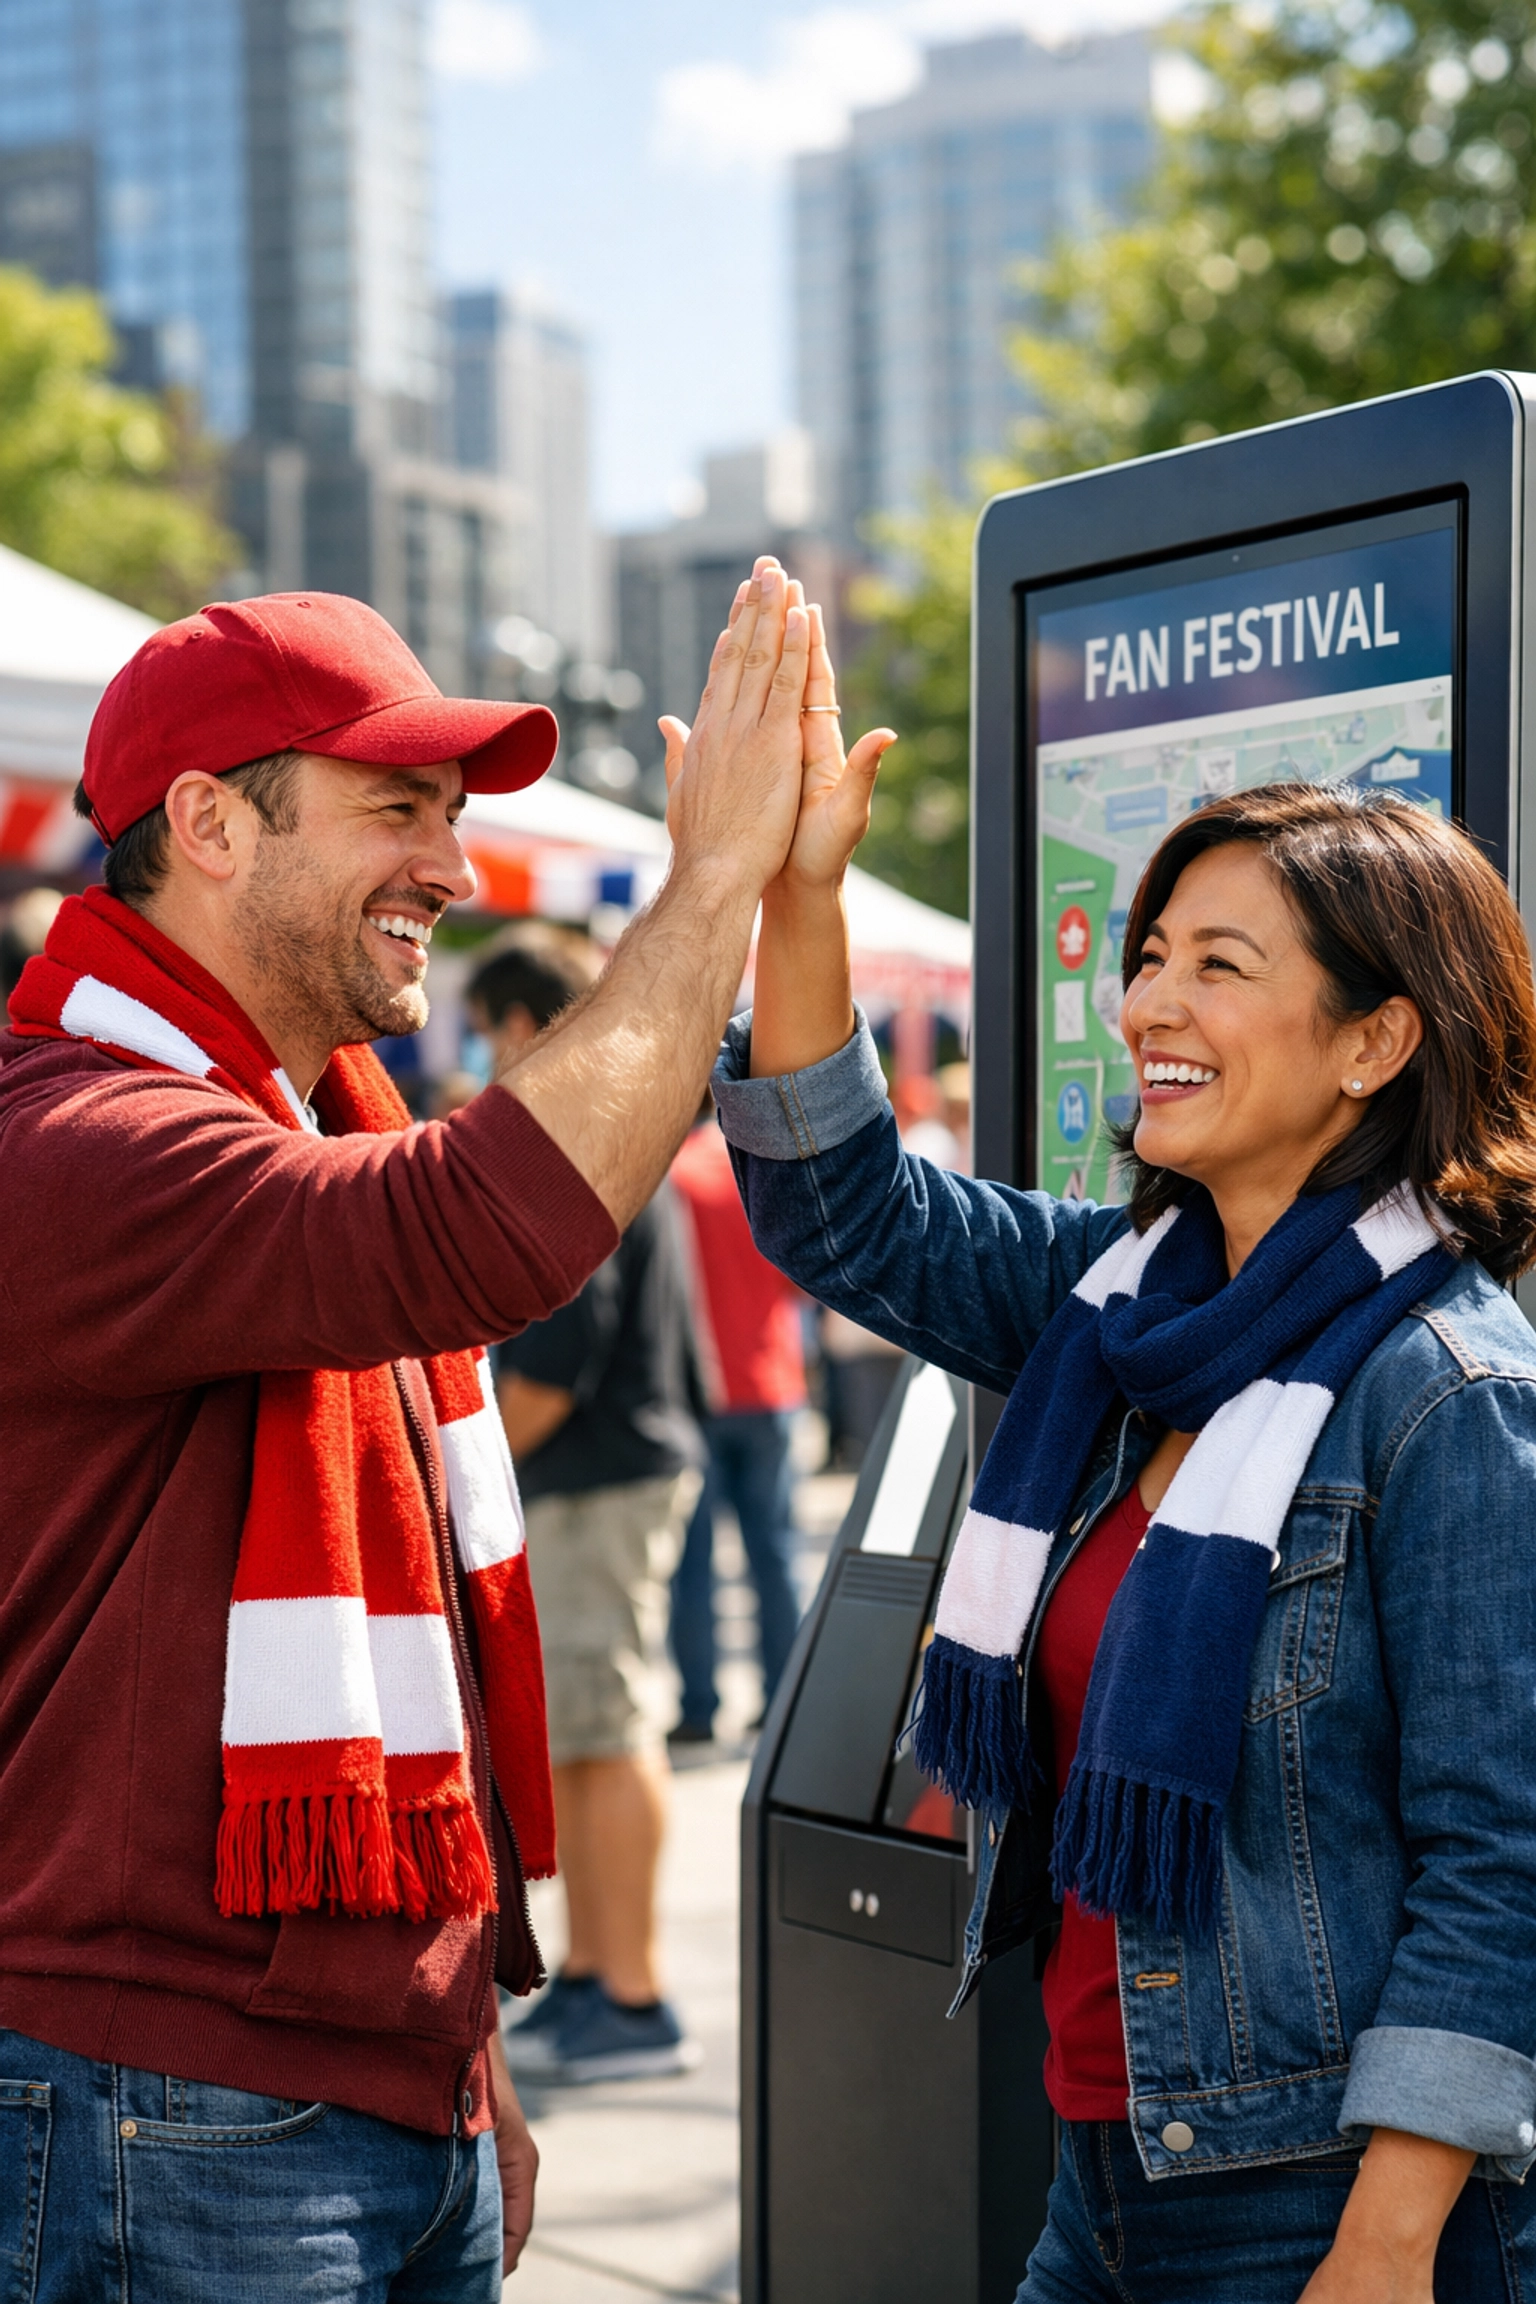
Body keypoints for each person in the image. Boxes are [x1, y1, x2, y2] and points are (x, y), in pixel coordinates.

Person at [0, 561, 812, 2299]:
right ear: (211, 822)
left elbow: (419, 1649)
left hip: (380, 2088)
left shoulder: (294, 1120)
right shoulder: (71, 1136)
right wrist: (716, 880)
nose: (451, 867)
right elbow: (462, 1227)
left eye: (451, 812)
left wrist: (467, 2058)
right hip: (160, 2102)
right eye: (398, 807)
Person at [705, 616, 1536, 2300]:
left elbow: (1506, 1853)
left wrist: (1386, 2244)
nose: (1147, 996)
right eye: (1148, 951)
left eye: (1218, 964)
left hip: (1325, 2201)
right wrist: (798, 897)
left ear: (1374, 1040)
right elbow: (838, 1201)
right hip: (1107, 2166)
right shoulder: (1114, 1302)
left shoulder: (1449, 1389)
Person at [466, 930, 704, 2083]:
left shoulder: (577, 1126)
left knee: (607, 1737)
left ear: (521, 1026)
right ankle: (602, 1978)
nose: (477, 1059)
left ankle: (634, 1991)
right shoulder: (613, 1113)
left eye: (482, 1032)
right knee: (589, 1738)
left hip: (598, 1481)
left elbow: (557, 1368)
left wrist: (461, 1465)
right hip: (606, 1478)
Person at [668, 1097, 807, 1743]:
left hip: (695, 1393)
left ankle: (699, 1706)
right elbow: (800, 1284)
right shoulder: (754, 1172)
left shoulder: (672, 1176)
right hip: (771, 1383)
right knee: (773, 1553)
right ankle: (783, 1698)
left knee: (691, 1564)